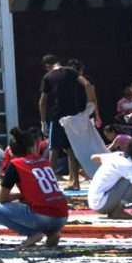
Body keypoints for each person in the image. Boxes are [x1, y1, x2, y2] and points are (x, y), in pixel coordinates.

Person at [0, 127, 69, 248]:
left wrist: (21, 195)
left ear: (11, 151)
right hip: (63, 216)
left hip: (43, 217)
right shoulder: (45, 161)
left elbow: (2, 198)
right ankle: (52, 232)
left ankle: (32, 233)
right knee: (34, 205)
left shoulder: (15, 164)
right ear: (33, 147)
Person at [38, 54, 88, 191]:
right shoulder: (71, 72)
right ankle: (75, 182)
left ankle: (49, 183)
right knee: (72, 150)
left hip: (57, 117)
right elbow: (87, 84)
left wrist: (43, 121)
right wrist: (90, 104)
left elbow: (42, 101)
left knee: (54, 149)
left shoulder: (48, 77)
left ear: (47, 66)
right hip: (73, 117)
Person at [69, 58, 103, 128]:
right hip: (86, 111)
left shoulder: (66, 81)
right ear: (81, 69)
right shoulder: (87, 80)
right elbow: (94, 99)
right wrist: (97, 115)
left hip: (73, 113)